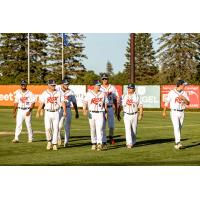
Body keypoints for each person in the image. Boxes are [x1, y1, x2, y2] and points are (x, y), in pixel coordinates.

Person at [36, 80, 66, 151]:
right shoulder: (44, 93)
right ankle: (49, 141)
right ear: (48, 85)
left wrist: (64, 111)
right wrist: (38, 111)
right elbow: (41, 103)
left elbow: (62, 102)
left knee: (56, 128)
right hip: (48, 112)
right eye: (52, 85)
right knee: (48, 128)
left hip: (56, 112)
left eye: (54, 85)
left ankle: (54, 144)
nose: (53, 86)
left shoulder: (59, 93)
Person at [163, 79, 190, 149]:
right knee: (176, 127)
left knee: (179, 128)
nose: (185, 86)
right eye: (184, 85)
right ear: (180, 85)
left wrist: (184, 98)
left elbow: (188, 103)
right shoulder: (172, 92)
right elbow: (166, 102)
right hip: (174, 112)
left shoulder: (184, 93)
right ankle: (178, 142)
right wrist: (164, 111)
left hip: (182, 112)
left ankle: (176, 143)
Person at [83, 80, 108, 151]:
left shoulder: (103, 94)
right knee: (93, 129)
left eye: (99, 85)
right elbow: (85, 102)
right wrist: (84, 110)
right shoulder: (89, 93)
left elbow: (105, 103)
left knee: (99, 128)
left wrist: (106, 113)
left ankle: (99, 144)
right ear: (94, 86)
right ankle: (94, 143)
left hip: (100, 112)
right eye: (97, 85)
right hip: (91, 113)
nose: (99, 86)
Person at [118, 84, 143, 149]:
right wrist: (118, 113)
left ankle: (133, 141)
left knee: (134, 130)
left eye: (131, 88)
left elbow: (140, 105)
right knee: (127, 129)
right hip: (126, 114)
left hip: (134, 114)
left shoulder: (137, 96)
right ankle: (129, 143)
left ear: (134, 89)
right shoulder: (123, 96)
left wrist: (140, 114)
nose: (129, 89)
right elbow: (120, 106)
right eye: (128, 88)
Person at [57, 79, 79, 147]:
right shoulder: (57, 91)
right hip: (59, 109)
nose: (67, 85)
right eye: (65, 84)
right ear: (62, 84)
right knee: (58, 126)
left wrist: (76, 112)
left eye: (67, 84)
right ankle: (58, 138)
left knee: (67, 127)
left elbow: (74, 102)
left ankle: (66, 142)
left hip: (68, 109)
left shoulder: (71, 92)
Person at [100, 73, 119, 145]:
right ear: (101, 80)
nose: (105, 80)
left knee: (111, 126)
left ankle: (111, 137)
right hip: (102, 109)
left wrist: (116, 110)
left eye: (106, 78)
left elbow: (115, 99)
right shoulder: (100, 87)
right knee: (102, 125)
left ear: (108, 79)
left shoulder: (112, 87)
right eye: (103, 79)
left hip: (110, 108)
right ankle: (103, 140)